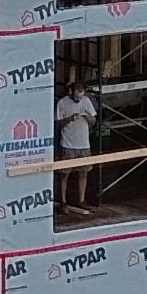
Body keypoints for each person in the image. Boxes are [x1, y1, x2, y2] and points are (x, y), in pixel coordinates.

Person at [56, 76, 97, 211]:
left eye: (82, 92)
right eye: (77, 91)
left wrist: (88, 117)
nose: (79, 94)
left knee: (83, 172)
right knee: (64, 173)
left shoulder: (86, 101)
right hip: (68, 144)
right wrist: (70, 118)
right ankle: (63, 201)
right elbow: (58, 124)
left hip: (84, 144)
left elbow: (94, 121)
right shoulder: (62, 103)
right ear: (71, 91)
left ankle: (82, 199)